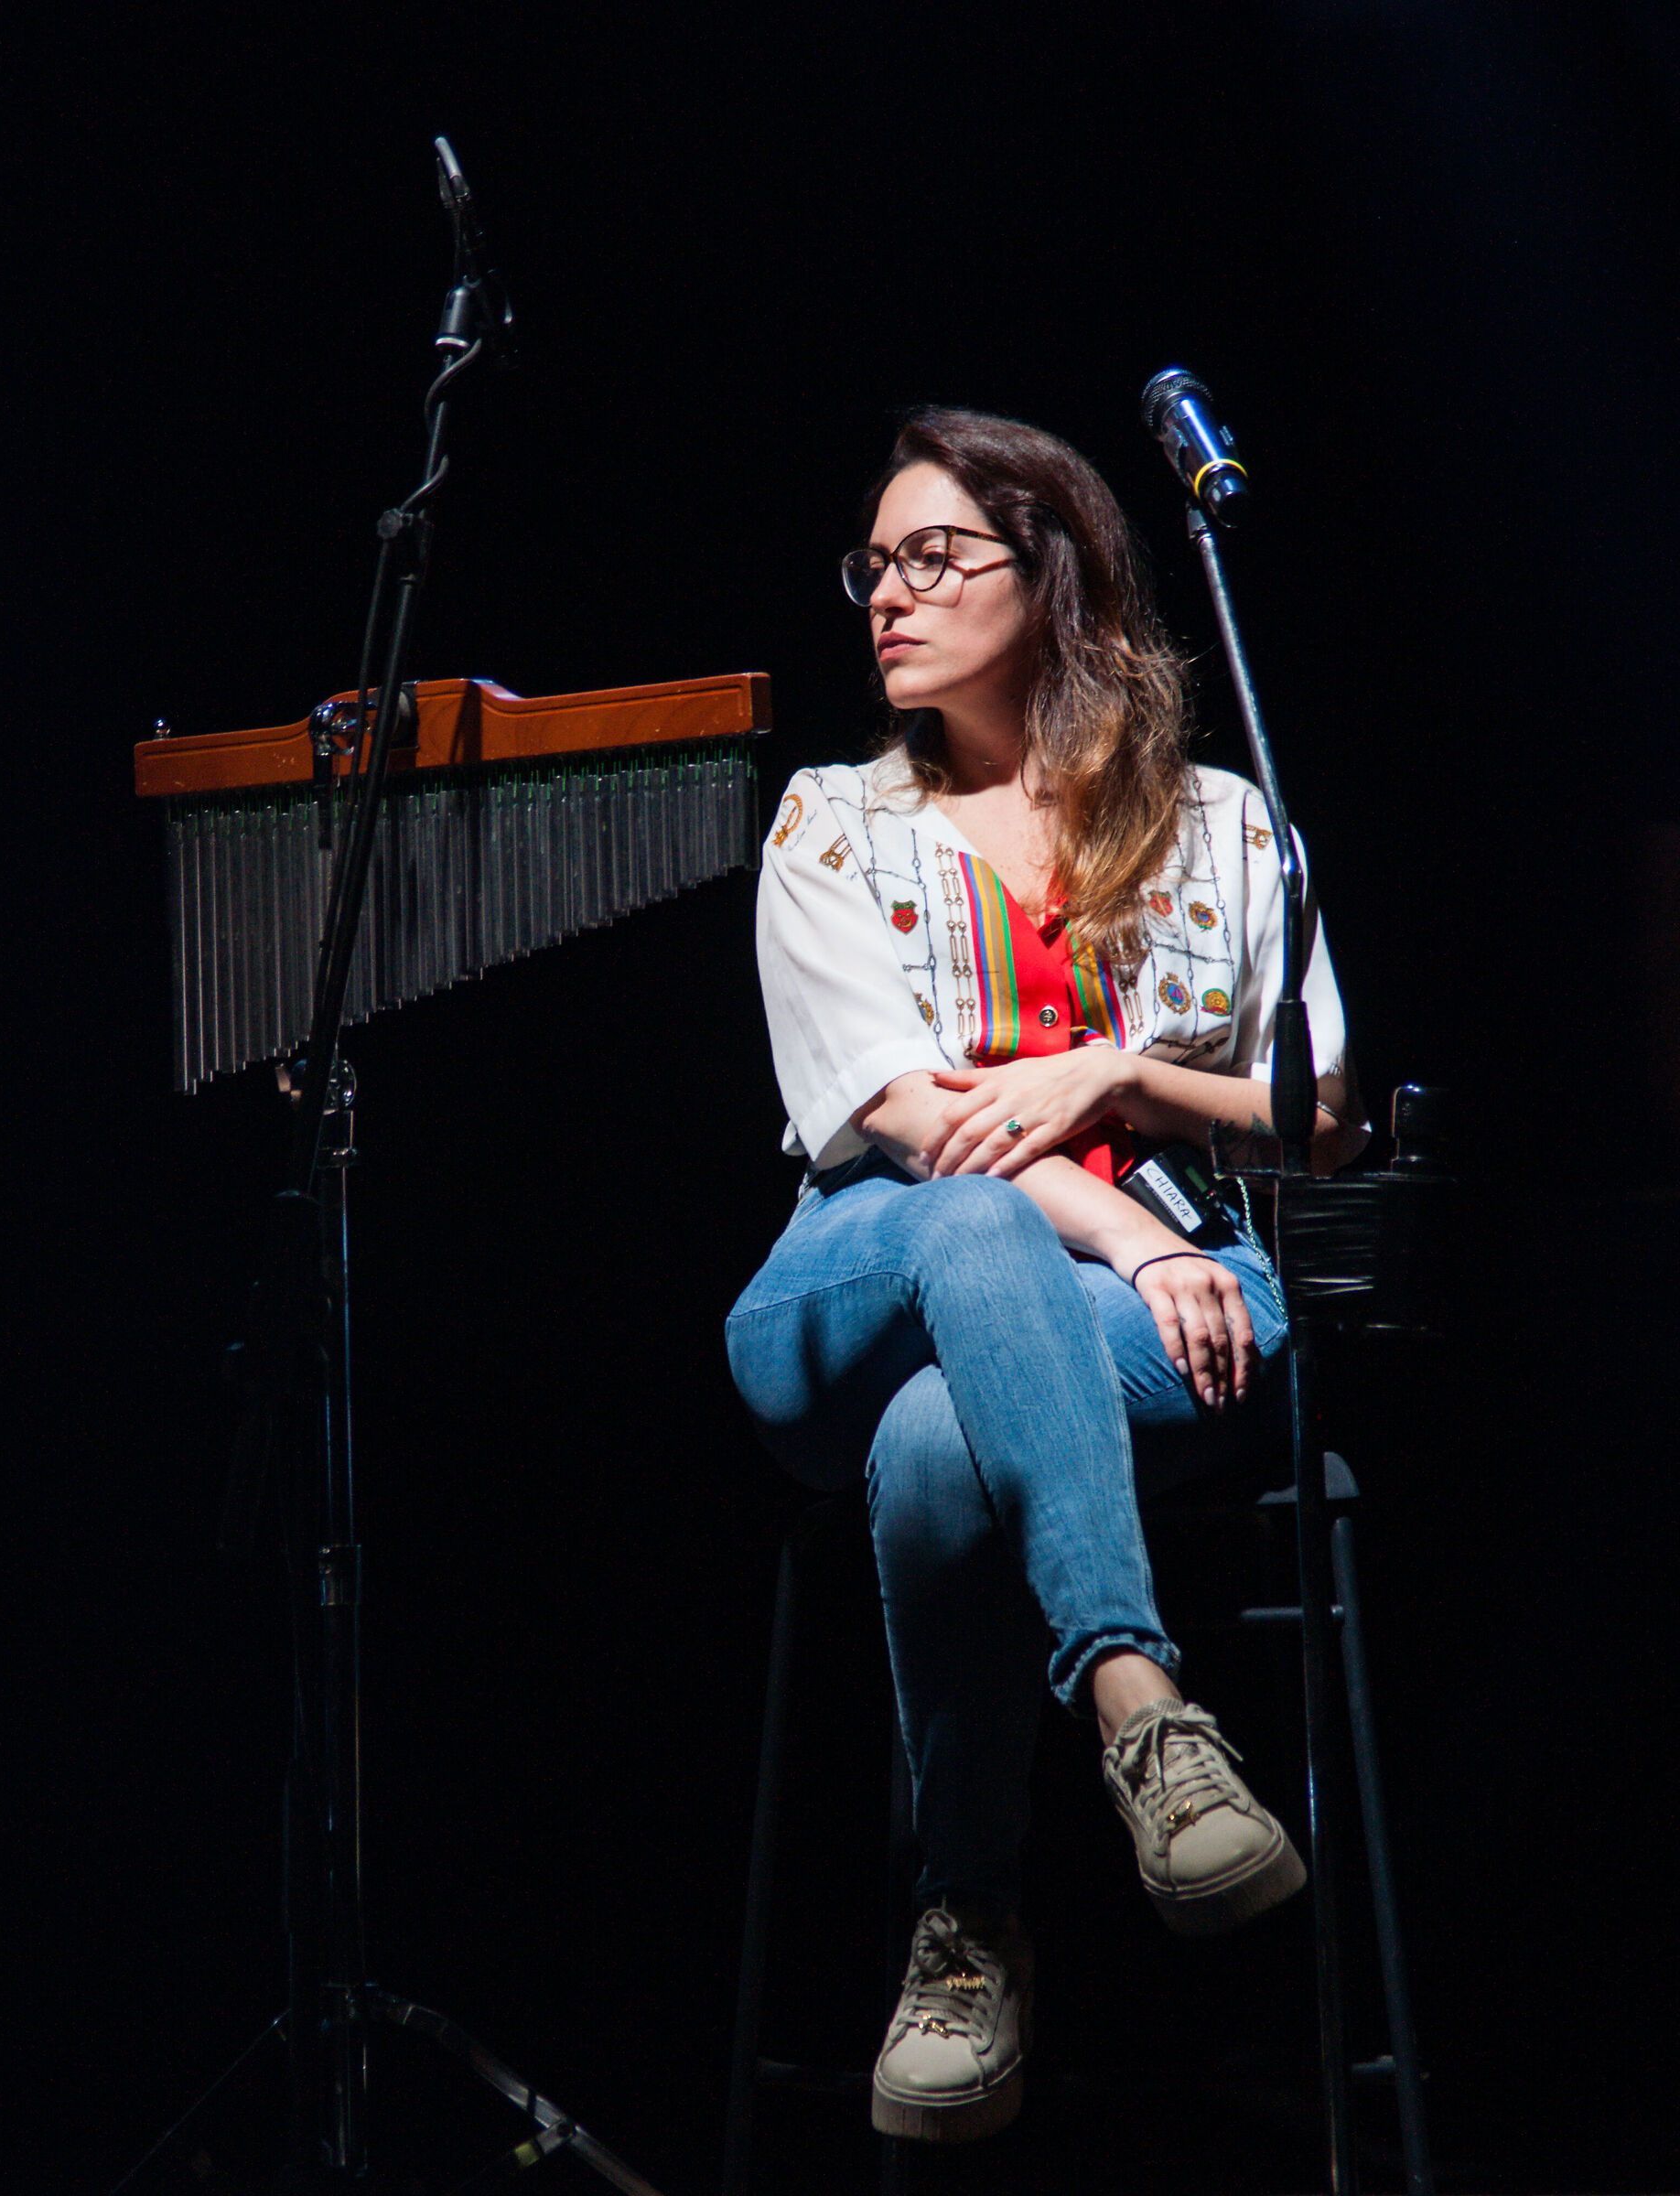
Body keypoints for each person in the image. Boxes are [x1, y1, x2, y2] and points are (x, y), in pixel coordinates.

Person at [724, 407, 1365, 2144]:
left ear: (1055, 570)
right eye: (874, 564)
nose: (888, 595)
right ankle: (1139, 1700)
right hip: (849, 1289)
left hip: (1142, 1328)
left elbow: (1317, 1122)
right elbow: (913, 1131)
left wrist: (1123, 1082)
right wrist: (1141, 1225)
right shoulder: (833, 828)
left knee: (945, 1446)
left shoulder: (1225, 828)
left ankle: (967, 1925)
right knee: (976, 1229)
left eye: (935, 556)